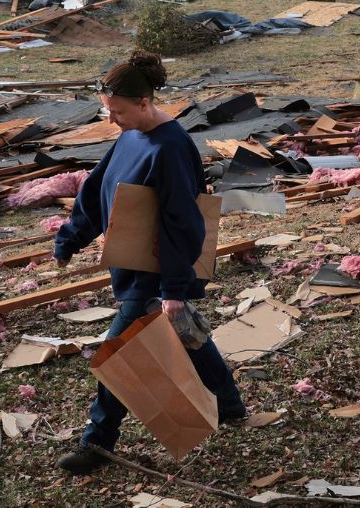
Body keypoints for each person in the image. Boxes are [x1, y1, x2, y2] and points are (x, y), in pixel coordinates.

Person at [53, 52, 247, 476]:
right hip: (132, 266)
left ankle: (97, 441)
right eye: (108, 111)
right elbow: (97, 190)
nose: (112, 120)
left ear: (144, 103)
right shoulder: (129, 137)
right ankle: (230, 405)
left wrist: (173, 289)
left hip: (156, 272)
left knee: (118, 355)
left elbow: (184, 223)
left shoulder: (171, 148)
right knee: (186, 333)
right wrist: (70, 238)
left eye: (118, 111)